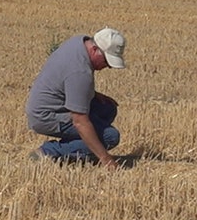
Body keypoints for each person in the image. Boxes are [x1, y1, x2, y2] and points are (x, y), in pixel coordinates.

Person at [26, 27, 126, 169]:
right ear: (94, 50)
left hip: (48, 104)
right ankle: (48, 152)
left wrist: (92, 94)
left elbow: (66, 80)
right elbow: (80, 122)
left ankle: (79, 146)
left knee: (107, 108)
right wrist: (106, 159)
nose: (108, 66)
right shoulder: (80, 72)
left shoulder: (79, 42)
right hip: (46, 116)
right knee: (110, 137)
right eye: (107, 61)